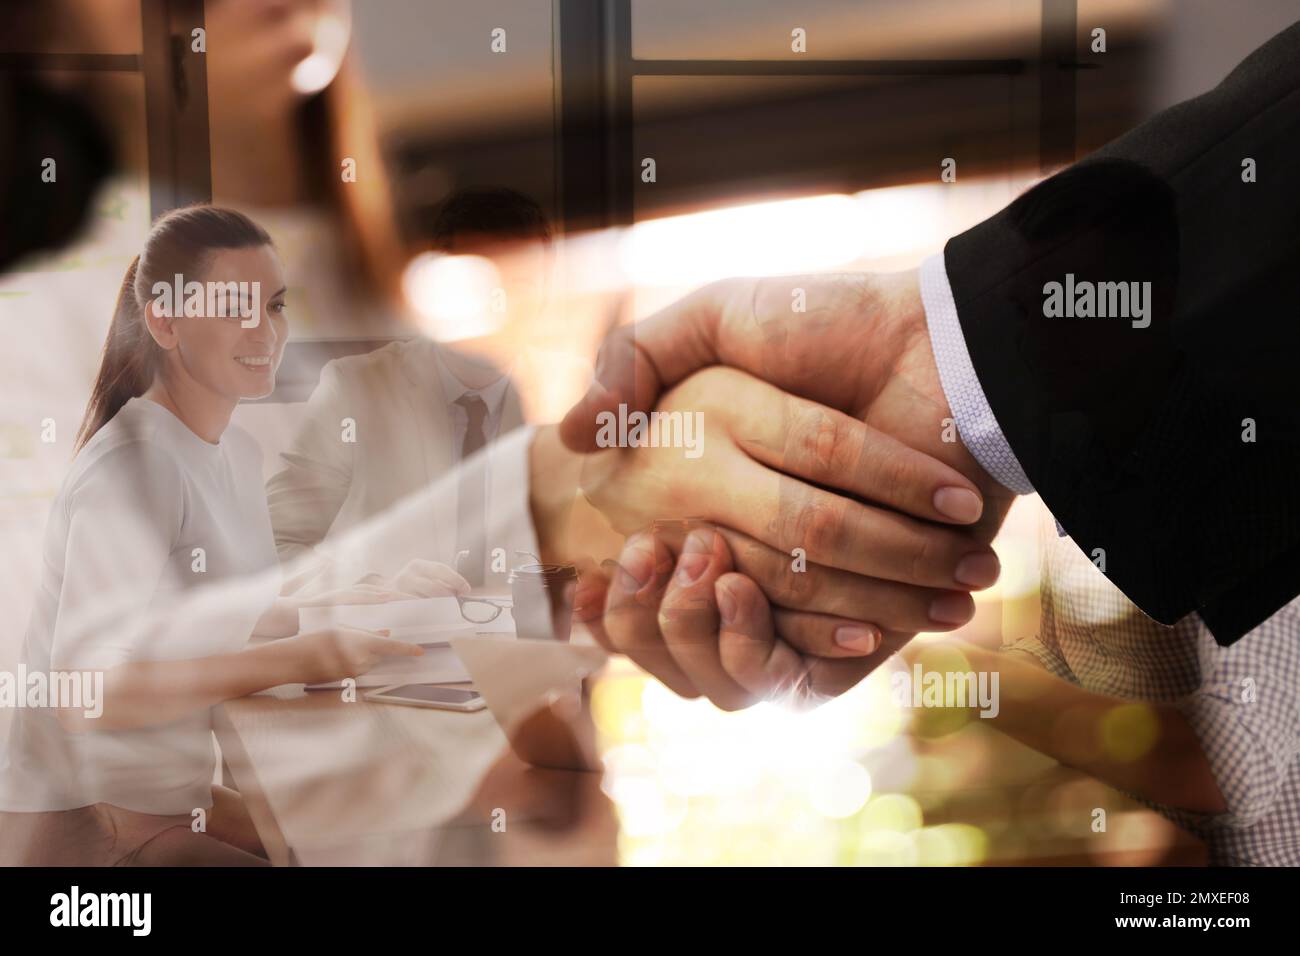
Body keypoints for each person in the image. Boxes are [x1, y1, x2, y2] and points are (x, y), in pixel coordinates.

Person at [0, 206, 459, 866]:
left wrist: (373, 599)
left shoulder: (232, 455)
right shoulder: (130, 466)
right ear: (163, 321)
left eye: (274, 305)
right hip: (88, 825)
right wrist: (302, 658)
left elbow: (231, 614)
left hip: (170, 796)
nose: (265, 331)